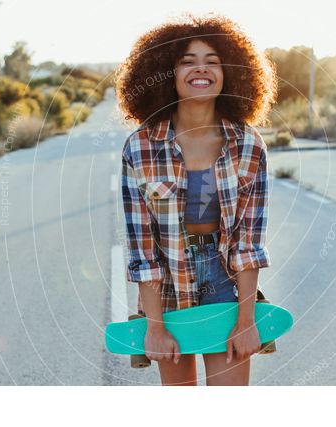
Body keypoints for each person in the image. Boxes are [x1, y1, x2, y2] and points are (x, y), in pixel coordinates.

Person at [116, 13, 277, 386]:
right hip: (167, 287)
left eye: (212, 62)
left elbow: (249, 245)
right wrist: (154, 327)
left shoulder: (248, 145)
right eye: (187, 62)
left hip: (225, 283)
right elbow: (142, 251)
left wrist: (246, 320)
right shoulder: (140, 147)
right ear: (166, 74)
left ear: (230, 73)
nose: (200, 70)